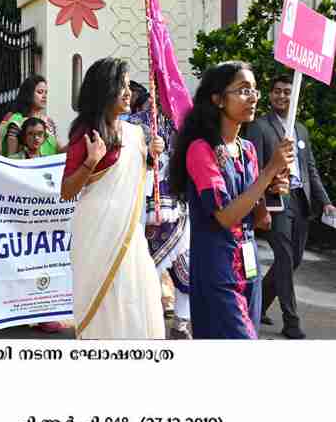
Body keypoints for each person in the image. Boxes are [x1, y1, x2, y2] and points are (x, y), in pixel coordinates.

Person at [169, 61, 294, 339]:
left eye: (254, 91)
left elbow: (261, 221)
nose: (252, 97)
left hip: (250, 270)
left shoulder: (247, 149)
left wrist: (271, 189)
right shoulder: (200, 150)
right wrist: (269, 171)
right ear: (217, 99)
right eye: (243, 90)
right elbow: (225, 216)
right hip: (218, 271)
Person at [61, 57, 166, 339]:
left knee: (136, 292)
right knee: (103, 301)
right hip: (96, 232)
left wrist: (154, 153)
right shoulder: (86, 131)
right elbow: (67, 191)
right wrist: (90, 162)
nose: (129, 92)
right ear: (105, 89)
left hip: (129, 233)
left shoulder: (135, 133)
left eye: (128, 84)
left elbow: (141, 174)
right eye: (121, 85)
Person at [246, 74, 335, 339]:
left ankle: (256, 305)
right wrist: (260, 202)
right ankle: (291, 321)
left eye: (287, 91)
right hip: (276, 200)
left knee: (293, 259)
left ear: (294, 95)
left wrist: (326, 202)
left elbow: (310, 170)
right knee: (284, 259)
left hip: (301, 200)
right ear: (270, 95)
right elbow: (255, 169)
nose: (282, 96)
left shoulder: (300, 130)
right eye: (277, 91)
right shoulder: (260, 127)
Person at [128, 81, 192, 339]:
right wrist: (146, 153)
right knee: (144, 273)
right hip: (144, 209)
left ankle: (181, 324)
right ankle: (146, 328)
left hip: (180, 208)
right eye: (162, 86)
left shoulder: (185, 124)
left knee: (187, 271)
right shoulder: (133, 124)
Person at [0, 75, 65, 157]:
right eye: (40, 92)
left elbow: (60, 149)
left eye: (46, 93)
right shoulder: (16, 121)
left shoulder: (49, 122)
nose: (44, 96)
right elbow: (11, 156)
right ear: (28, 93)